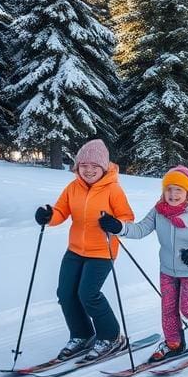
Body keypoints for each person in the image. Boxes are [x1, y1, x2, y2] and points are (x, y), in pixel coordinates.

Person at [99, 165, 188, 363]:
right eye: (169, 189)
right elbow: (140, 230)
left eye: (178, 190)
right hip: (167, 269)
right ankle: (174, 343)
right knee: (168, 308)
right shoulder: (158, 212)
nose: (173, 194)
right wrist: (118, 227)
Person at [34, 139, 134, 361]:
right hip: (75, 250)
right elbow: (60, 211)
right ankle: (82, 335)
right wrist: (48, 216)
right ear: (77, 166)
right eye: (84, 166)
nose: (88, 171)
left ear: (103, 168)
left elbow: (127, 217)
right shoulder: (73, 187)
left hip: (102, 252)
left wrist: (115, 224)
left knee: (88, 294)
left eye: (94, 166)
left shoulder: (113, 190)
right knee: (65, 293)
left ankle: (111, 336)